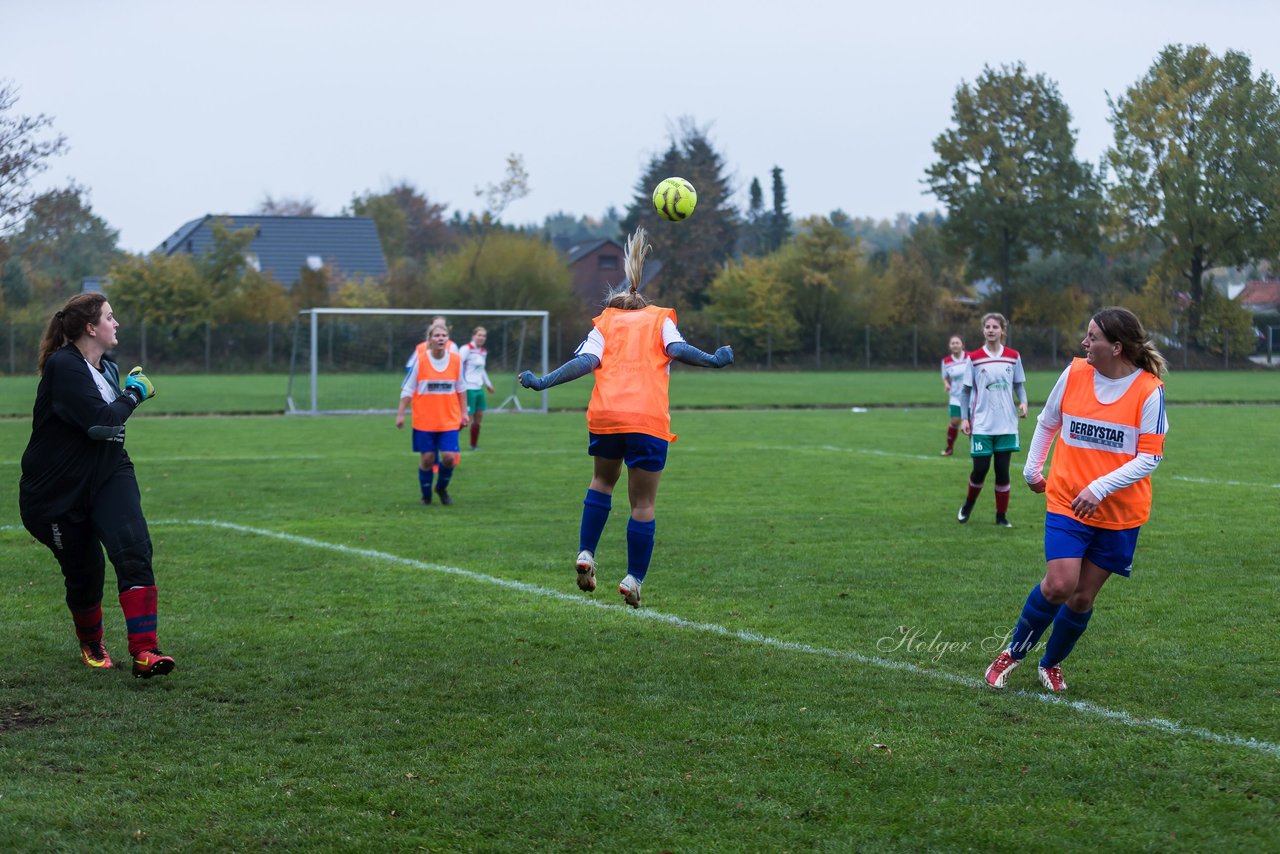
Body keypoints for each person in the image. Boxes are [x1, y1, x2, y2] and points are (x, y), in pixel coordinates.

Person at [518, 228, 733, 608]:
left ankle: (586, 552)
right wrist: (713, 360)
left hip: (607, 416)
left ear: (616, 305)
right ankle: (633, 579)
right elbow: (678, 349)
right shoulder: (658, 319)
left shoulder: (606, 322)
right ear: (641, 302)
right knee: (643, 505)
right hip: (647, 420)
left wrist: (543, 382)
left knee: (602, 481)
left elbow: (584, 362)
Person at [984, 307, 1168, 693]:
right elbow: (1048, 421)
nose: (1084, 343)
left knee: (1082, 597)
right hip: (1068, 499)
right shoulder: (1074, 373)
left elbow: (1150, 457)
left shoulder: (1149, 391)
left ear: (1116, 347)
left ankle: (1050, 663)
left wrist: (1100, 487)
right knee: (1059, 585)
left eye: (1092, 337)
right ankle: (1013, 653)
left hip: (1118, 512)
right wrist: (1032, 470)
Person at [19, 293, 174, 679]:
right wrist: (135, 393)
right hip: (56, 493)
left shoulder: (107, 366)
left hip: (108, 475)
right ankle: (91, 640)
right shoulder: (64, 365)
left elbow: (108, 432)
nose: (116, 322)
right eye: (109, 316)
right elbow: (102, 424)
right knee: (86, 572)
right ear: (91, 328)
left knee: (134, 550)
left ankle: (145, 651)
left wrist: (126, 391)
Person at [958, 313, 1028, 527]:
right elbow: (965, 391)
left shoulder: (1013, 356)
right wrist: (964, 418)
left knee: (1002, 471)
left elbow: (1018, 385)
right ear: (983, 330)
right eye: (987, 326)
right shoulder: (974, 357)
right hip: (981, 423)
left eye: (995, 327)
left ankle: (1001, 517)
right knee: (980, 469)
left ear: (1002, 330)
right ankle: (968, 504)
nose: (990, 330)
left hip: (1006, 424)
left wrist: (1023, 402)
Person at [396, 321, 470, 505]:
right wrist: (400, 414)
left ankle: (441, 488)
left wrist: (464, 413)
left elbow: (461, 389)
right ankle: (426, 495)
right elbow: (407, 389)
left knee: (449, 458)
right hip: (425, 420)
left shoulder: (455, 360)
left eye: (444, 336)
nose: (441, 338)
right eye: (437, 335)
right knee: (428, 459)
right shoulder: (420, 360)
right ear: (429, 339)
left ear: (448, 339)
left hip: (449, 420)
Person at [458, 326, 496, 451]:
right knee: (465, 419)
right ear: (473, 336)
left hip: (478, 388)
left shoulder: (483, 352)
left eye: (484, 336)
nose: (481, 338)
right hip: (467, 388)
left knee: (479, 416)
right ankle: (449, 440)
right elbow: (457, 365)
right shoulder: (466, 349)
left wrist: (488, 384)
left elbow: (482, 370)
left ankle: (473, 445)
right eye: (479, 335)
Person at [939, 334, 969, 456]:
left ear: (962, 345)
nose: (955, 345)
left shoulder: (970, 357)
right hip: (956, 397)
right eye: (953, 343)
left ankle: (977, 449)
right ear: (950, 346)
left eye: (957, 342)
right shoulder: (946, 361)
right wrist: (946, 384)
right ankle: (949, 448)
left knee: (972, 423)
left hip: (970, 396)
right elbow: (945, 377)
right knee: (955, 421)